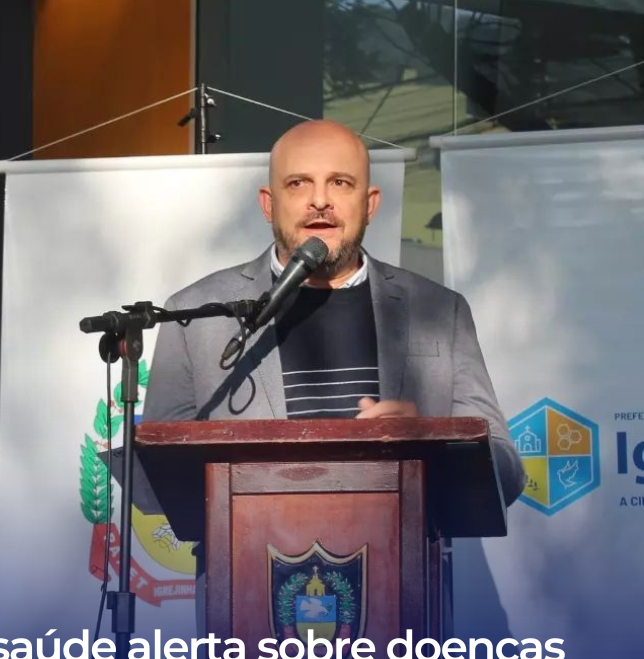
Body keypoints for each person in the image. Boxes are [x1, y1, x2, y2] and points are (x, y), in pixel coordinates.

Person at [142, 119, 524, 505]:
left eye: (340, 182)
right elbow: (150, 486)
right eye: (298, 183)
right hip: (250, 543)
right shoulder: (194, 316)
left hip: (398, 543)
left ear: (370, 204)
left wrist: (430, 442)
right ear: (268, 204)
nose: (320, 200)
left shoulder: (440, 310)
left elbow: (506, 473)